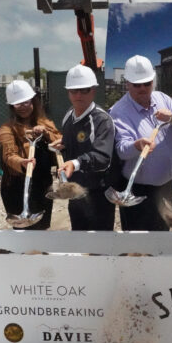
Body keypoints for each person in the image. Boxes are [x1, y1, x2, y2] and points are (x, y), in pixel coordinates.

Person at [110, 55, 172, 231]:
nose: (142, 88)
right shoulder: (118, 112)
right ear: (127, 83)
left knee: (162, 235)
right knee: (139, 241)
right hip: (138, 191)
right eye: (137, 84)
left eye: (147, 83)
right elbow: (121, 149)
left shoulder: (162, 98)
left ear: (153, 81)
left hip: (166, 187)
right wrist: (136, 145)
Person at [52, 64, 115, 231]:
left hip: (98, 194)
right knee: (78, 237)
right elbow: (75, 144)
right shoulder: (69, 115)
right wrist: (64, 145)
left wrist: (75, 163)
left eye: (84, 90)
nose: (78, 95)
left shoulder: (101, 120)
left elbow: (103, 157)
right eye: (74, 91)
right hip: (75, 191)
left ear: (93, 91)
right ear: (68, 92)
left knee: (100, 242)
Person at [0, 80, 60, 230]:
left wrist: (46, 133)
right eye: (18, 104)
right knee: (22, 231)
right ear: (12, 106)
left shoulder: (46, 123)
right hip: (17, 185)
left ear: (33, 102)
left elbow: (60, 142)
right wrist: (21, 162)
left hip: (42, 185)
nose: (23, 107)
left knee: (42, 228)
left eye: (26, 102)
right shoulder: (7, 129)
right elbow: (8, 155)